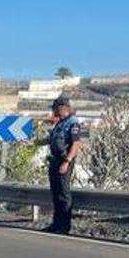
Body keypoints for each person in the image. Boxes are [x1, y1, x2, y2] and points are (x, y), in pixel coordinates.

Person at [41, 95, 85, 234]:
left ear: (62, 108)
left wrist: (67, 162)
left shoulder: (73, 123)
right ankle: (56, 224)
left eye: (55, 108)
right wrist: (36, 143)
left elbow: (76, 143)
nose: (53, 111)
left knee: (63, 194)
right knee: (56, 193)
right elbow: (52, 139)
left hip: (63, 161)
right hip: (54, 160)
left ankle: (64, 226)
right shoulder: (61, 123)